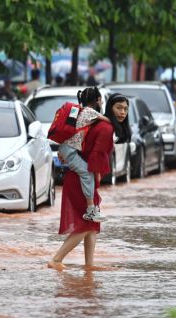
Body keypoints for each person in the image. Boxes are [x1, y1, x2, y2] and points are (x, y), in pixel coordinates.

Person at [48, 92, 131, 271]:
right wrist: (97, 174)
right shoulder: (106, 128)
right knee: (87, 224)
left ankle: (89, 266)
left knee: (93, 226)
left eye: (125, 109)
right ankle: (56, 259)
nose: (122, 112)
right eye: (118, 108)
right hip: (82, 179)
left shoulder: (99, 123)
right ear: (108, 107)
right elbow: (96, 155)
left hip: (81, 177)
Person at [58, 87, 110, 222]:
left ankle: (92, 209)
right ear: (98, 100)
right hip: (69, 151)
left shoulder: (82, 111)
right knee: (86, 173)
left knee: (88, 173)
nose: (102, 103)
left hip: (67, 149)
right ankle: (90, 211)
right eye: (102, 101)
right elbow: (108, 121)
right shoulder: (89, 112)